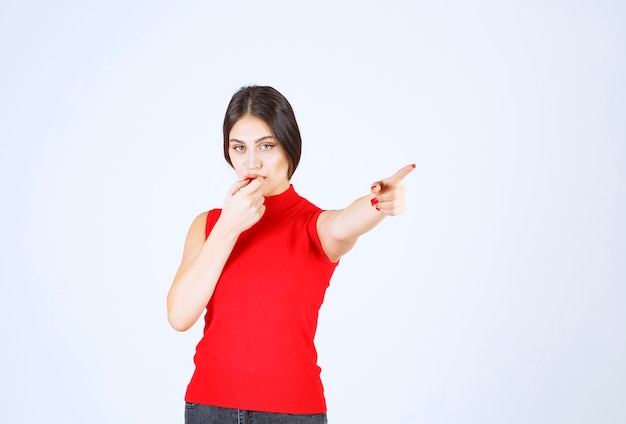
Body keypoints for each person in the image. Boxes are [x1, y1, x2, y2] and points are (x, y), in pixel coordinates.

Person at [167, 85, 414, 424]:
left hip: (292, 413)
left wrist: (380, 203)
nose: (251, 162)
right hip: (209, 408)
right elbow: (180, 316)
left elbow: (347, 221)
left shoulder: (314, 226)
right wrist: (228, 227)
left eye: (266, 146)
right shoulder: (208, 225)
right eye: (239, 148)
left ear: (289, 148)